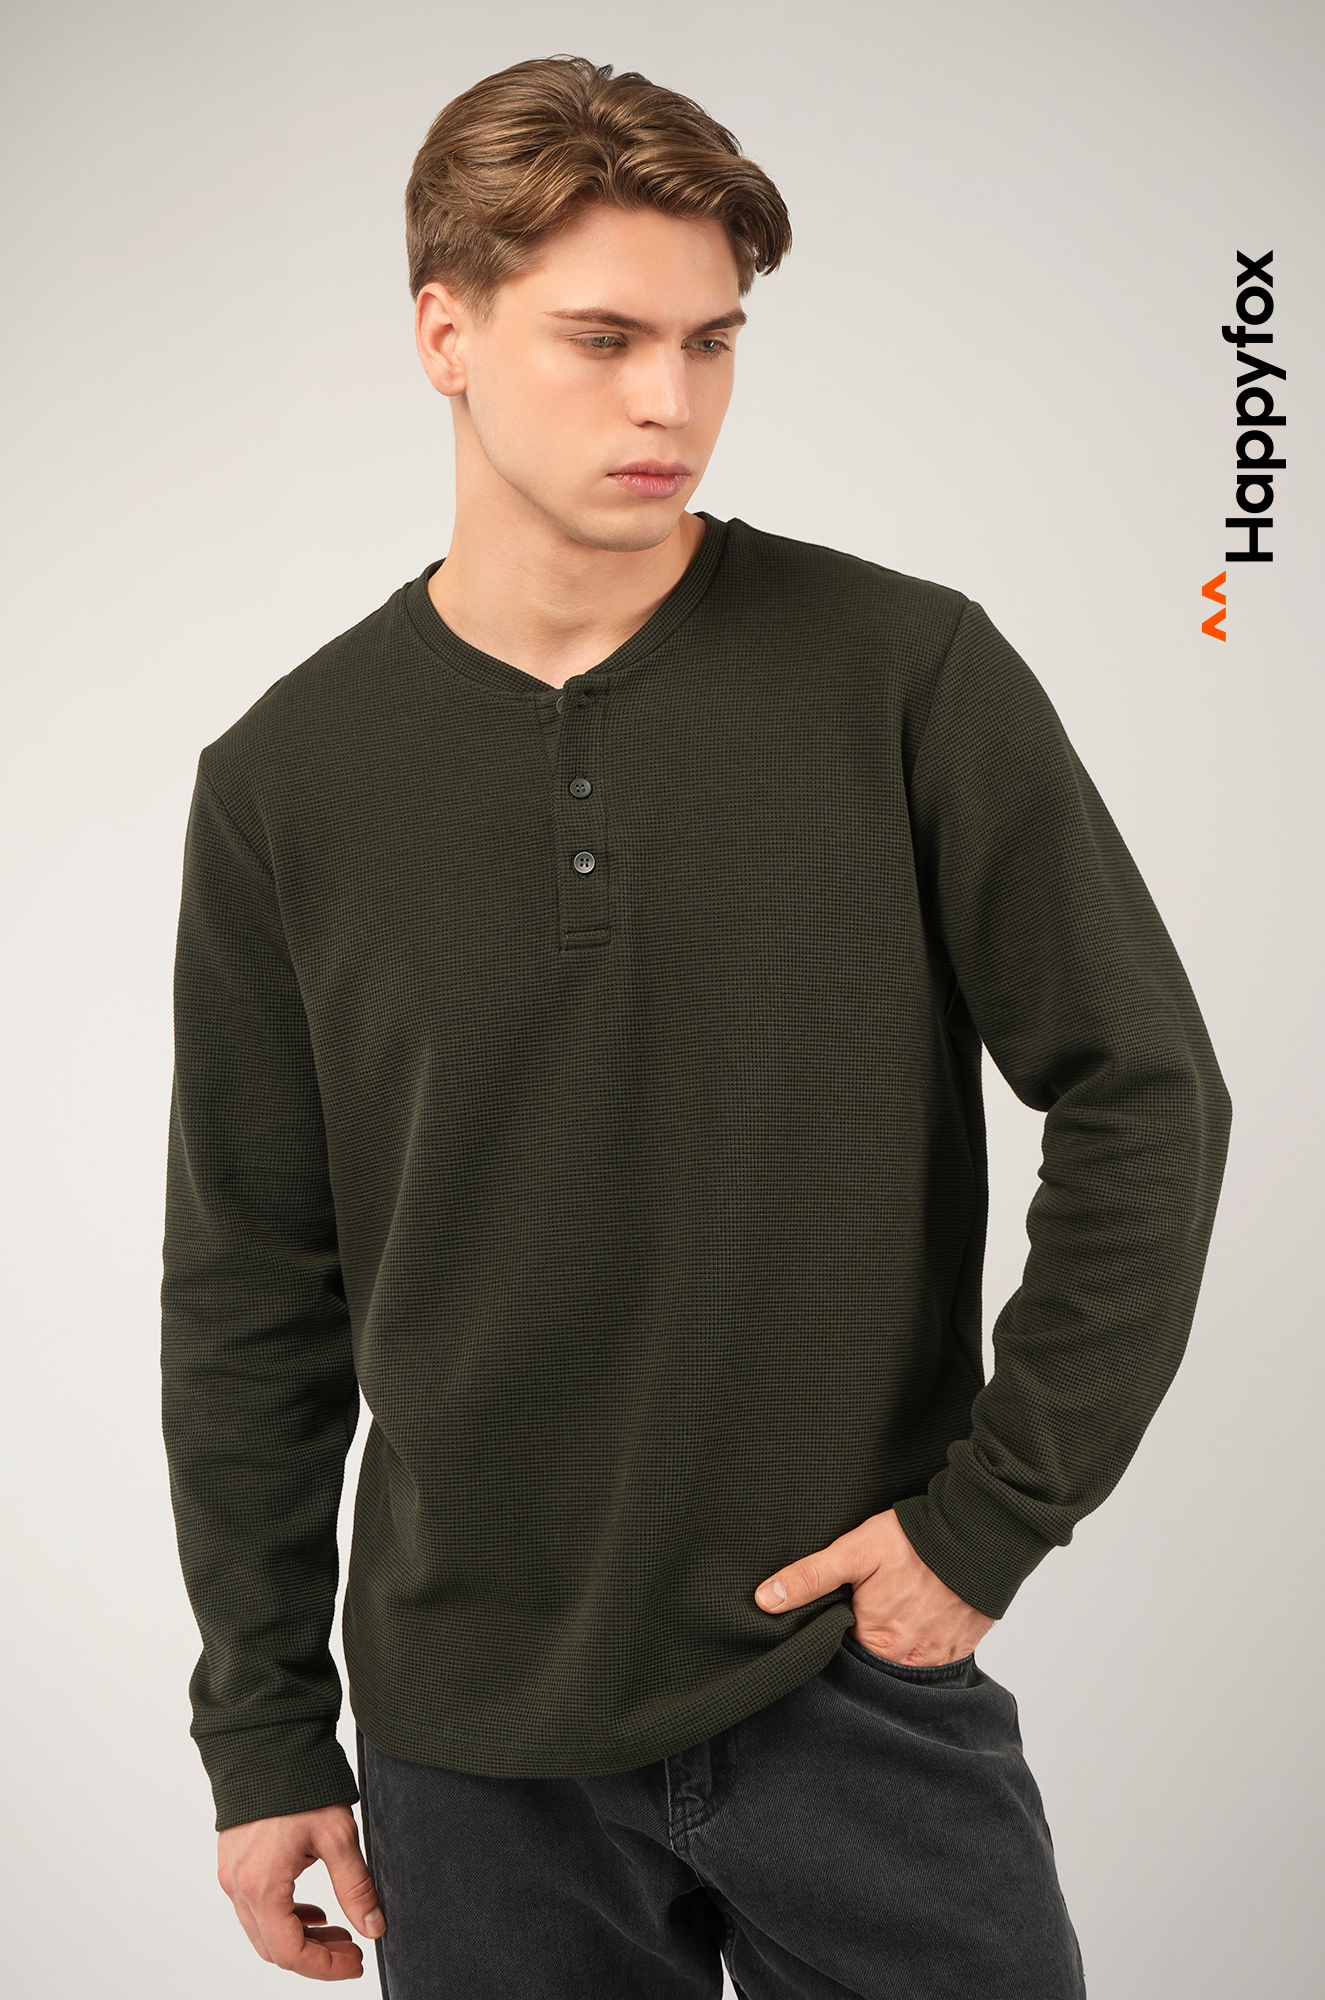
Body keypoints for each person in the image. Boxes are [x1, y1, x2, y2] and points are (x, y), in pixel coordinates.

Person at [160, 52, 1232, 1999]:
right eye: (603, 339)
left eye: (710, 341)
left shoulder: (904, 673)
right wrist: (262, 1730)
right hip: (468, 1750)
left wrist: (992, 1517)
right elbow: (250, 1290)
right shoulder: (283, 781)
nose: (670, 400)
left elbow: (1145, 1092)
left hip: (851, 1682)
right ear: (444, 333)